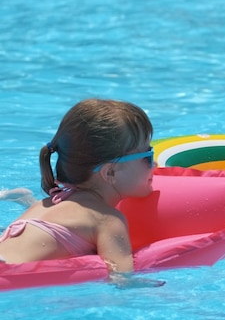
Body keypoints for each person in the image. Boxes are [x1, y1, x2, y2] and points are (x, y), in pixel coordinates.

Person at [0, 99, 162, 286]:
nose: (155, 165)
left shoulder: (51, 202)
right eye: (147, 157)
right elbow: (121, 279)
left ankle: (24, 198)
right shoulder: (107, 219)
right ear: (110, 172)